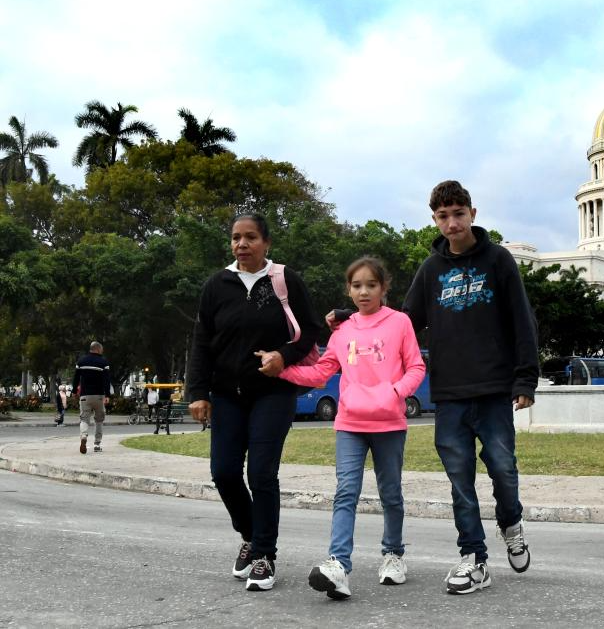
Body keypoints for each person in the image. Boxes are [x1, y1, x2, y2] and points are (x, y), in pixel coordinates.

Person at [402, 180, 539, 594]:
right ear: (435, 220)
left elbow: (522, 320)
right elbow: (405, 323)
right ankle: (473, 557)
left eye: (458, 213)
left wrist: (525, 378)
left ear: (473, 214)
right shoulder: (430, 270)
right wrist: (356, 321)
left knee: (502, 468)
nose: (452, 222)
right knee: (459, 479)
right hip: (450, 393)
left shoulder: (498, 261)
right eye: (443, 216)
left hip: (494, 388)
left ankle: (511, 523)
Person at [187, 212, 324, 592]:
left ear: (266, 243)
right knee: (224, 472)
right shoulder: (217, 285)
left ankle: (264, 555)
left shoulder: (284, 280)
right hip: (226, 395)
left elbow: (310, 330)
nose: (241, 245)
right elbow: (202, 342)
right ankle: (251, 534)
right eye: (235, 238)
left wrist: (283, 355)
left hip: (273, 393)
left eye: (250, 238)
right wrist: (197, 393)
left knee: (262, 474)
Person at [276, 257, 425, 601]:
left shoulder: (400, 323)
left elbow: (416, 368)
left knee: (391, 493)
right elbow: (321, 372)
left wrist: (395, 393)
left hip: (389, 423)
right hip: (350, 424)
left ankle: (393, 555)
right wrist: (282, 370)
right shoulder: (342, 331)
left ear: (383, 288)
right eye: (356, 286)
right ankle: (339, 566)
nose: (363, 292)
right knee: (346, 492)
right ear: (348, 289)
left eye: (371, 285)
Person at [72, 341, 111, 453]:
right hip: (99, 396)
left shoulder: (81, 361)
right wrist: (107, 395)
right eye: (102, 350)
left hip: (85, 395)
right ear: (98, 349)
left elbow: (76, 378)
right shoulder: (103, 362)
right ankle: (97, 444)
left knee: (84, 418)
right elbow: (106, 380)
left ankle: (83, 436)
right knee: (99, 420)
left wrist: (74, 391)